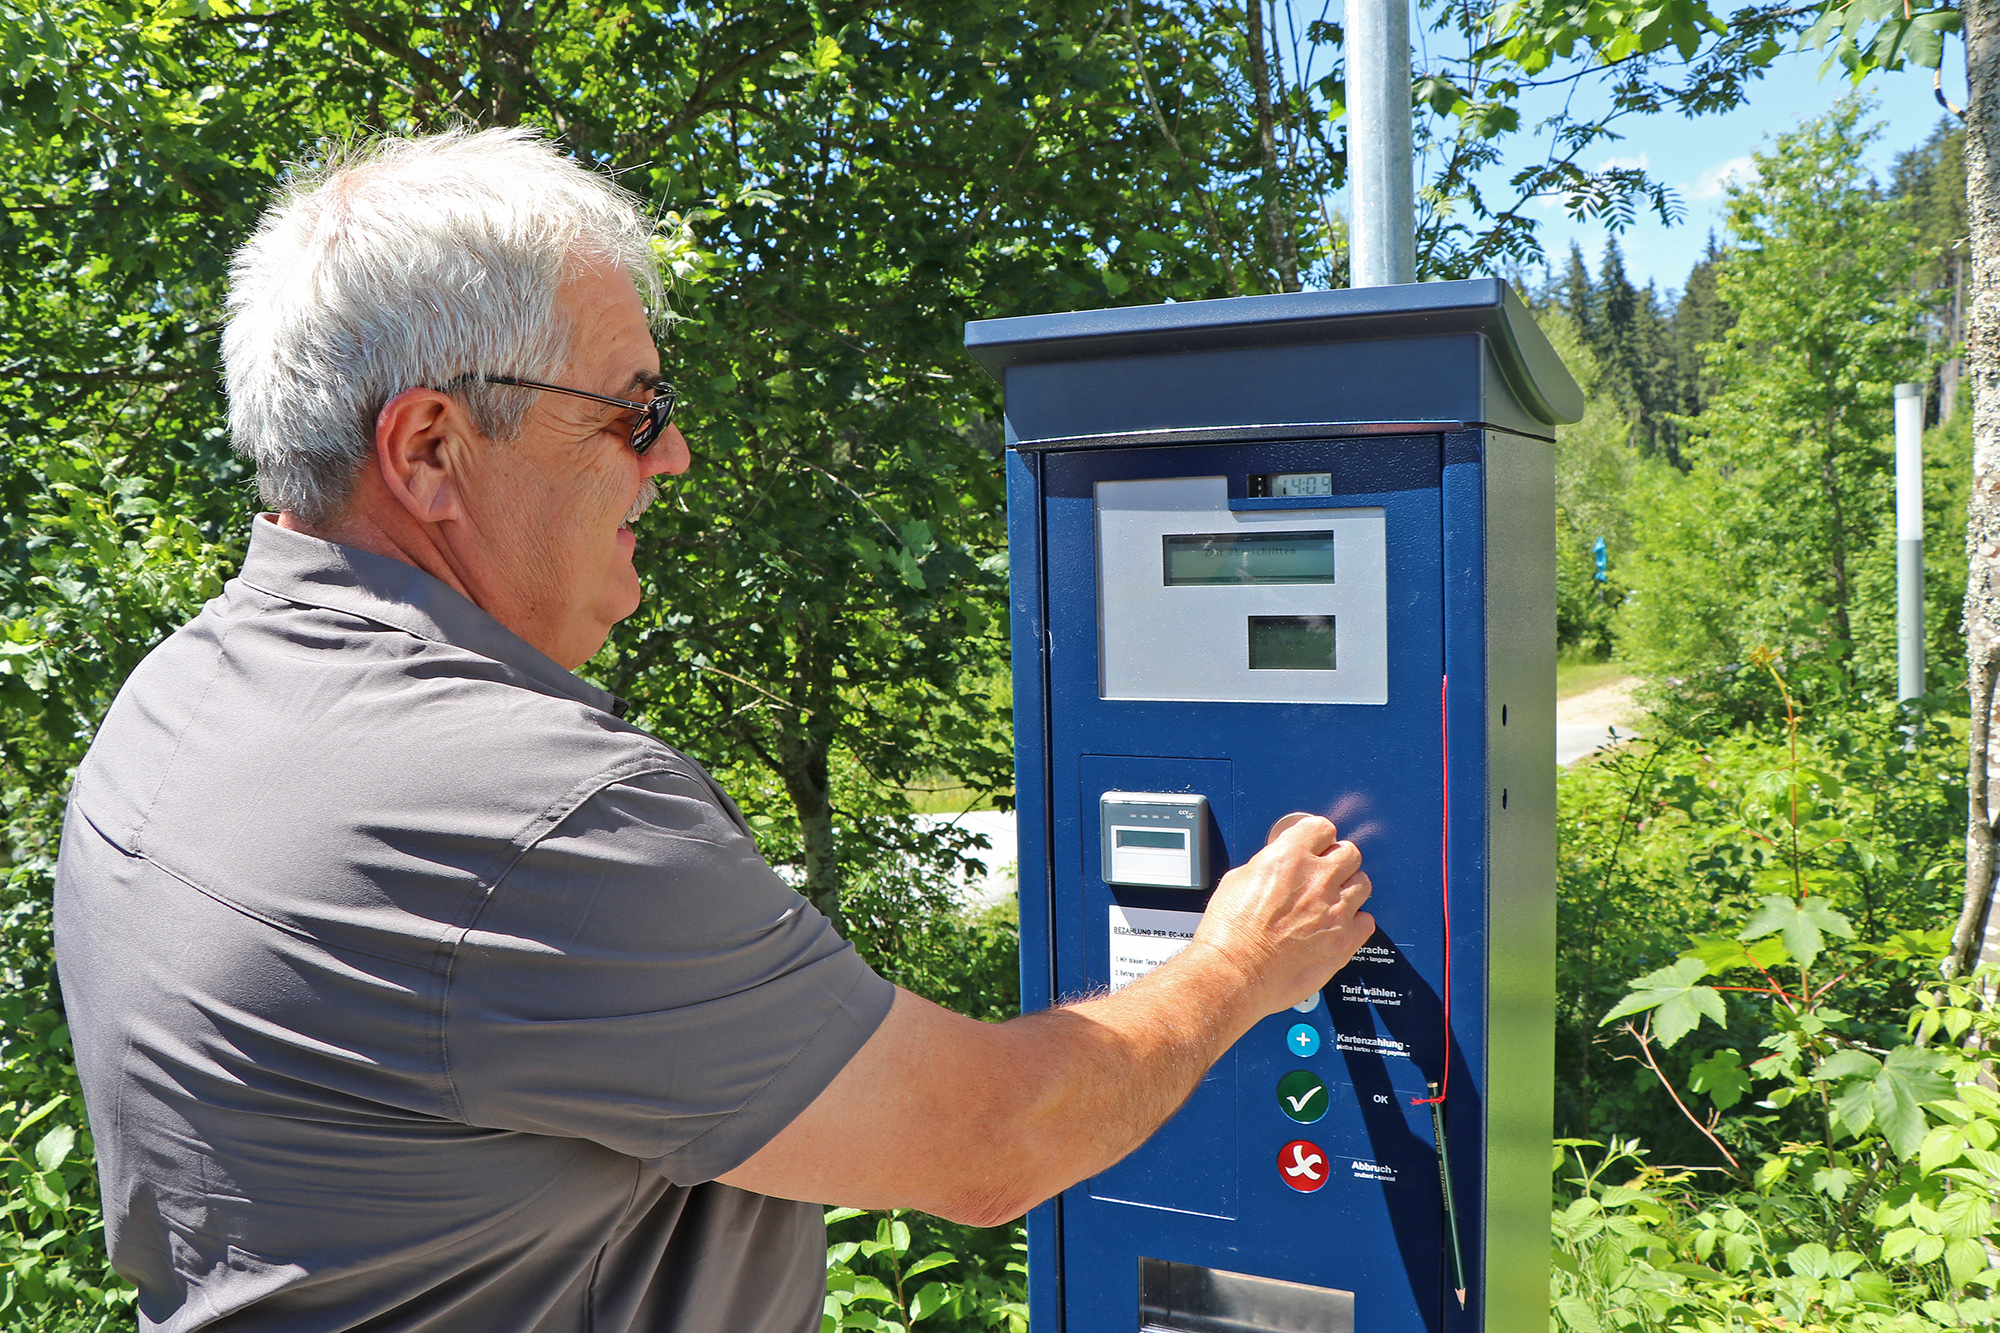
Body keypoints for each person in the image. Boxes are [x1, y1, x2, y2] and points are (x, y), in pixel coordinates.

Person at [52, 127, 1375, 1333]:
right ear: (432, 449)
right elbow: (994, 1142)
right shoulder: (528, 812)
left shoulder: (168, 706)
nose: (670, 456)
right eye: (630, 411)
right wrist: (1243, 962)